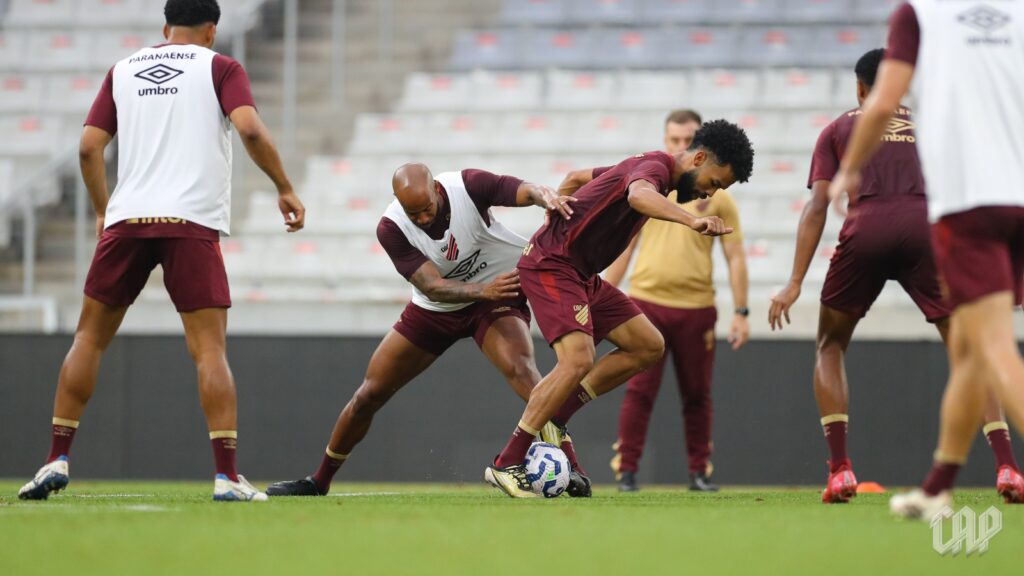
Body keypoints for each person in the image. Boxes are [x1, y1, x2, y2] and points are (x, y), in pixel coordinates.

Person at [18, 0, 305, 502]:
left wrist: (104, 209)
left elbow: (89, 147)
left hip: (128, 219)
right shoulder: (221, 67)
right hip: (189, 222)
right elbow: (251, 129)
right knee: (209, 350)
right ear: (212, 30)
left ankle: (54, 458)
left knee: (89, 338)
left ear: (165, 26)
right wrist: (283, 185)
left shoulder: (124, 70)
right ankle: (225, 475)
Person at [769, 48, 1023, 504]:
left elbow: (818, 206)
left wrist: (793, 283)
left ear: (861, 88)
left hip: (865, 229)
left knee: (830, 345)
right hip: (928, 233)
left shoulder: (839, 128)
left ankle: (841, 471)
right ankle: (1008, 467)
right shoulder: (936, 125)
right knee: (970, 352)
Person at [266, 163, 592, 498]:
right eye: (414, 213)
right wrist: (484, 290)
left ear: (437, 190)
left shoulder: (467, 186)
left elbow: (522, 189)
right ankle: (319, 480)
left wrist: (544, 195)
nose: (422, 219)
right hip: (438, 308)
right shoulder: (391, 227)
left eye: (426, 210)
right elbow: (433, 287)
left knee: (523, 370)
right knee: (368, 395)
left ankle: (572, 466)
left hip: (496, 299)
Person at [484, 120, 754, 498]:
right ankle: (506, 462)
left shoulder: (644, 165)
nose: (708, 193)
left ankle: (556, 418)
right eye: (713, 182)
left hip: (581, 274)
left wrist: (555, 212)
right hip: (552, 265)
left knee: (648, 345)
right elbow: (638, 197)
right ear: (699, 157)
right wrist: (693, 221)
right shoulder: (655, 170)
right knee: (577, 360)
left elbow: (576, 177)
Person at [829, 1, 1024, 518]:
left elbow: (886, 96)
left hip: (970, 202)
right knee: (968, 350)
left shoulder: (920, 13)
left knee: (996, 351)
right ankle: (938, 486)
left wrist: (850, 169)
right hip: (1017, 198)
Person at [605, 109, 750, 492]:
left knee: (697, 394)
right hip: (647, 303)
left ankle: (699, 472)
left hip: (697, 307)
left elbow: (735, 256)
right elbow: (625, 247)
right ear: (666, 140)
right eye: (674, 140)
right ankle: (628, 472)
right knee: (638, 391)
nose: (680, 147)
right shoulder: (649, 187)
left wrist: (742, 311)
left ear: (700, 147)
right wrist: (601, 295)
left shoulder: (716, 196)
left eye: (687, 140)